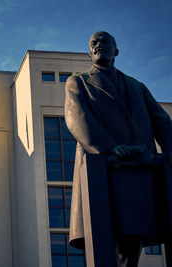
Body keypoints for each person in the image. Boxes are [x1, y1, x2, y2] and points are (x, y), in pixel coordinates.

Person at [64, 31, 172, 267]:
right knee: (105, 238)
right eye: (94, 43)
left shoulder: (136, 86)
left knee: (131, 242)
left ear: (116, 50)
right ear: (89, 52)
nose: (99, 45)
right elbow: (78, 120)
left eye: (105, 42)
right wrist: (111, 148)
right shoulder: (79, 82)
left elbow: (162, 121)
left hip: (138, 170)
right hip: (102, 170)